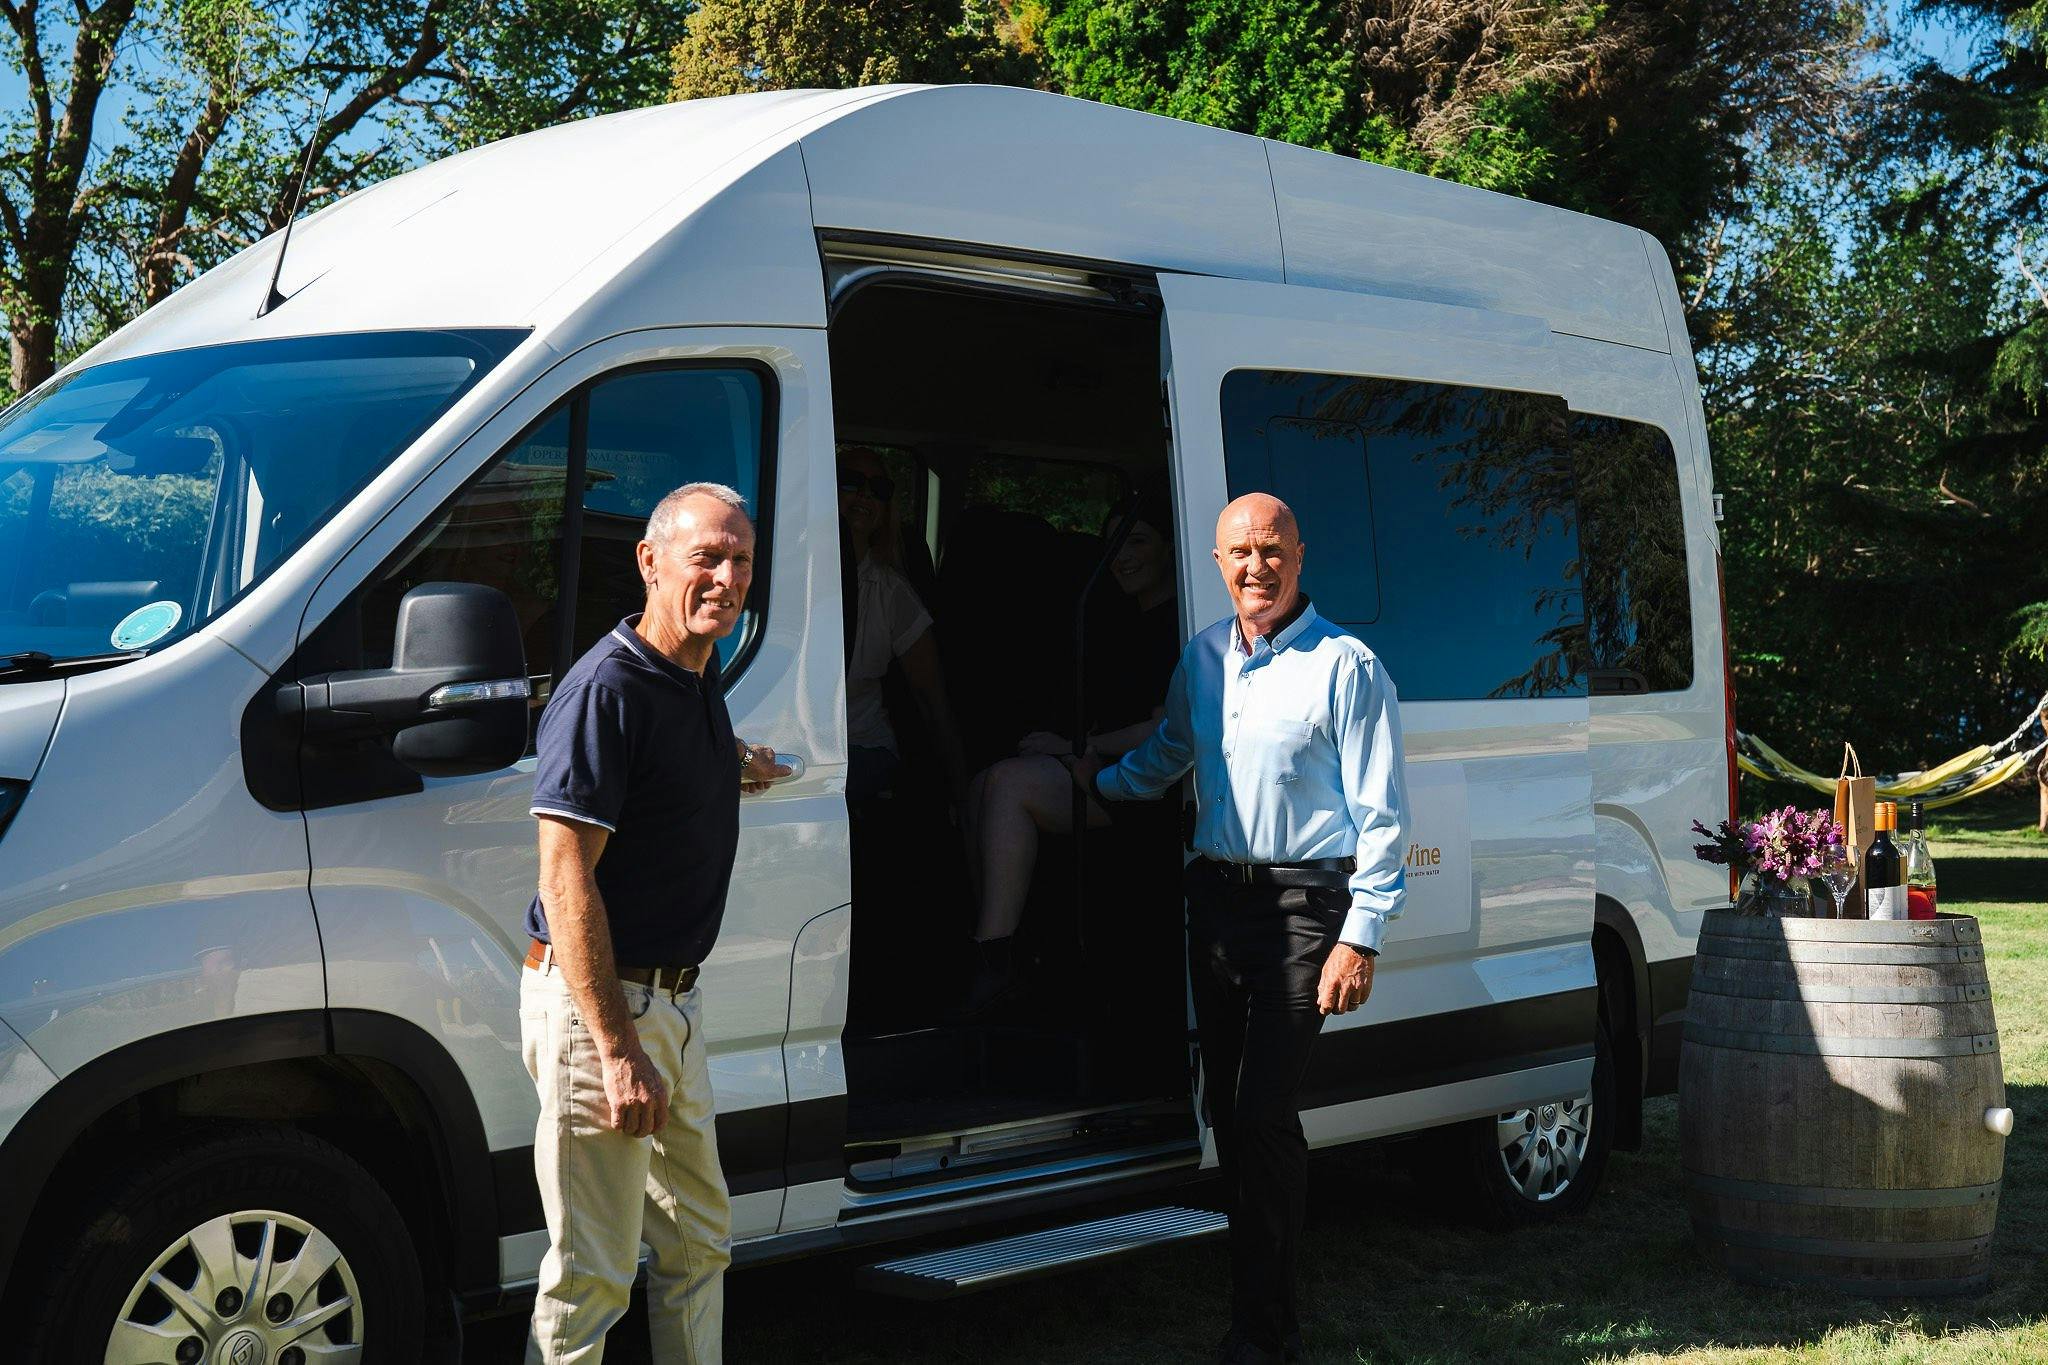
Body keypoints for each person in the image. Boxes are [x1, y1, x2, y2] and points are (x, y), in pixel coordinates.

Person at [1077, 492, 1407, 1365]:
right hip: (1219, 904)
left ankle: (1266, 1331)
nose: (1256, 566)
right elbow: (1170, 754)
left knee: (1262, 1112)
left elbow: (1382, 818)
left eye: (1271, 549)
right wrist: (1095, 782)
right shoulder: (1202, 658)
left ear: (1299, 554)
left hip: (1307, 910)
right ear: (1217, 562)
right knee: (1229, 1113)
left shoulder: (1347, 665)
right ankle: (1259, 1300)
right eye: (1240, 552)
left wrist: (1361, 934)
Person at [520, 481, 787, 1364]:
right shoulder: (607, 689)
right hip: (605, 1011)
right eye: (705, 557)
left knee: (700, 1241)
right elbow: (565, 879)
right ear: (650, 561)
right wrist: (617, 1049)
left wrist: (735, 761)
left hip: (673, 1005)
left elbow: (658, 768)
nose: (727, 578)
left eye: (741, 560)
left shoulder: (694, 673)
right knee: (592, 1276)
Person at [959, 490, 1179, 1013]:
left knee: (1008, 784)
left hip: (1147, 781)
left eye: (1137, 541)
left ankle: (995, 960)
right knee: (983, 783)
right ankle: (1009, 941)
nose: (1121, 556)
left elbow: (1161, 729)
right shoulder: (1122, 621)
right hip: (1100, 764)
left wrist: (1076, 747)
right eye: (1112, 544)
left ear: (1171, 548)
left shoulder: (1180, 623)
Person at [837, 444, 967, 806]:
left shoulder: (892, 593)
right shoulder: (781, 574)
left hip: (861, 747)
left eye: (879, 489)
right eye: (850, 482)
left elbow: (932, 699)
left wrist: (961, 798)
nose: (865, 494)